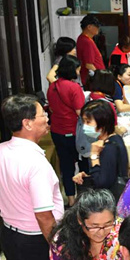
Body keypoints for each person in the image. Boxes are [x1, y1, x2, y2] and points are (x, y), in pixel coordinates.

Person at [0, 94, 64, 260]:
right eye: (42, 114)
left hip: (10, 236)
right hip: (38, 241)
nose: (47, 117)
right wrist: (58, 247)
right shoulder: (35, 163)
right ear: (27, 123)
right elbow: (43, 215)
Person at [47, 55, 86, 206]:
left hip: (57, 131)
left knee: (66, 166)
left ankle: (70, 200)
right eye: (77, 69)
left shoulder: (52, 87)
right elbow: (80, 113)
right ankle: (83, 198)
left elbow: (52, 108)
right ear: (72, 70)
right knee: (83, 164)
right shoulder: (74, 88)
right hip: (74, 132)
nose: (78, 72)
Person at [72, 100, 129, 200]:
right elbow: (106, 173)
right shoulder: (115, 139)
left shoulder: (108, 147)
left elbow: (101, 183)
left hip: (110, 201)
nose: (85, 126)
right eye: (83, 122)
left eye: (88, 122)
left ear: (102, 123)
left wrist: (94, 155)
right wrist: (88, 176)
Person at [76, 14, 105, 86]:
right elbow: (89, 64)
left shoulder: (82, 38)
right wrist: (100, 77)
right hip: (93, 80)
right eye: (96, 26)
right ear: (89, 27)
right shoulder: (86, 41)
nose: (98, 28)